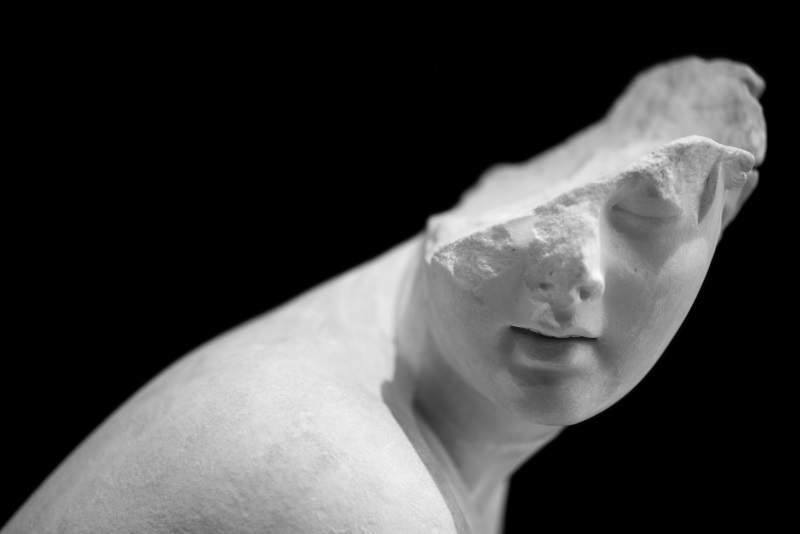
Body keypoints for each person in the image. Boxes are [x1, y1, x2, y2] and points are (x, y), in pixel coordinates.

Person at [2, 57, 765, 534]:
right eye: (533, 232)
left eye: (642, 217)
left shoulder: (441, 413)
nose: (577, 276)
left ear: (720, 214)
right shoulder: (358, 486)